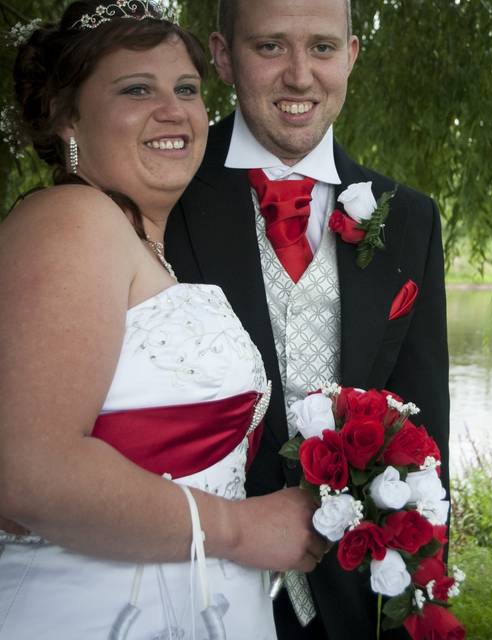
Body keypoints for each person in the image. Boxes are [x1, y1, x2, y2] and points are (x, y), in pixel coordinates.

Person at [0, 2, 328, 637]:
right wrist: (242, 528)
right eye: (136, 89)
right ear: (67, 116)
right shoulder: (70, 222)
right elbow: (27, 474)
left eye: (186, 88)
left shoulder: (138, 243)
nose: (174, 109)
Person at [164, 0, 450, 638]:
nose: (299, 75)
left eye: (321, 48)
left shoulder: (409, 220)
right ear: (222, 56)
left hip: (347, 598)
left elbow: (427, 436)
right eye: (270, 47)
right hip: (196, 584)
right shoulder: (164, 194)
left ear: (349, 57)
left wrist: (418, 609)